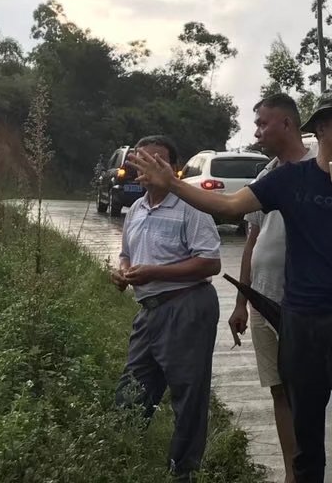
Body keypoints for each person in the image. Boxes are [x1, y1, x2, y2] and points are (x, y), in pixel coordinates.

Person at [129, 89, 332, 483]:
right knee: (305, 439)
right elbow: (230, 206)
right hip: (299, 323)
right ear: (320, 128)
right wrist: (174, 184)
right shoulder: (287, 179)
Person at [112, 135, 222, 481]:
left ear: (172, 167)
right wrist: (124, 271)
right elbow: (128, 252)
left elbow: (210, 263)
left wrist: (155, 272)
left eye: (156, 160)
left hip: (186, 306)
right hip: (149, 311)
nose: (146, 167)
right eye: (141, 160)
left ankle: (183, 470)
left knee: (188, 393)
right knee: (132, 389)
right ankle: (122, 458)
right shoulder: (137, 208)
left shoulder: (191, 206)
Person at [228, 94, 315, 483]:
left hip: (304, 303)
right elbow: (252, 240)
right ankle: (290, 472)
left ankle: (312, 467)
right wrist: (241, 303)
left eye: (263, 124)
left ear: (286, 123)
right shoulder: (266, 177)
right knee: (279, 390)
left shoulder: (319, 168)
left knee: (307, 392)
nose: (258, 132)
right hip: (262, 299)